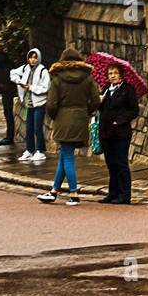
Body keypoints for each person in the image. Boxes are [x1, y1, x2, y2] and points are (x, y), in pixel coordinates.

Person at [37, 48, 101, 207]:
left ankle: (73, 193)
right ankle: (53, 192)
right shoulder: (88, 77)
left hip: (63, 119)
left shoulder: (57, 78)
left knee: (67, 156)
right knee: (65, 155)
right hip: (80, 118)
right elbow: (95, 100)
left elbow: (51, 104)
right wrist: (86, 111)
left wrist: (55, 116)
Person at [98, 64, 140, 205]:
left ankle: (124, 195)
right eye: (110, 73)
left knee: (121, 163)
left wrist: (120, 120)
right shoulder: (106, 90)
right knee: (111, 164)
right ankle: (113, 193)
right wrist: (99, 101)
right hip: (106, 132)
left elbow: (133, 110)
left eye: (115, 73)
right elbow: (100, 109)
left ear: (121, 75)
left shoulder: (127, 90)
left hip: (120, 133)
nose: (113, 76)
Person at [11, 48, 50, 163]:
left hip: (39, 103)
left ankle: (41, 151)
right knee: (29, 128)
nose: (32, 60)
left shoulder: (43, 71)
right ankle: (29, 150)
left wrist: (31, 88)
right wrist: (19, 81)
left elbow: (46, 87)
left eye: (35, 57)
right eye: (31, 57)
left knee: (37, 128)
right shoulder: (25, 68)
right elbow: (12, 73)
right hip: (29, 104)